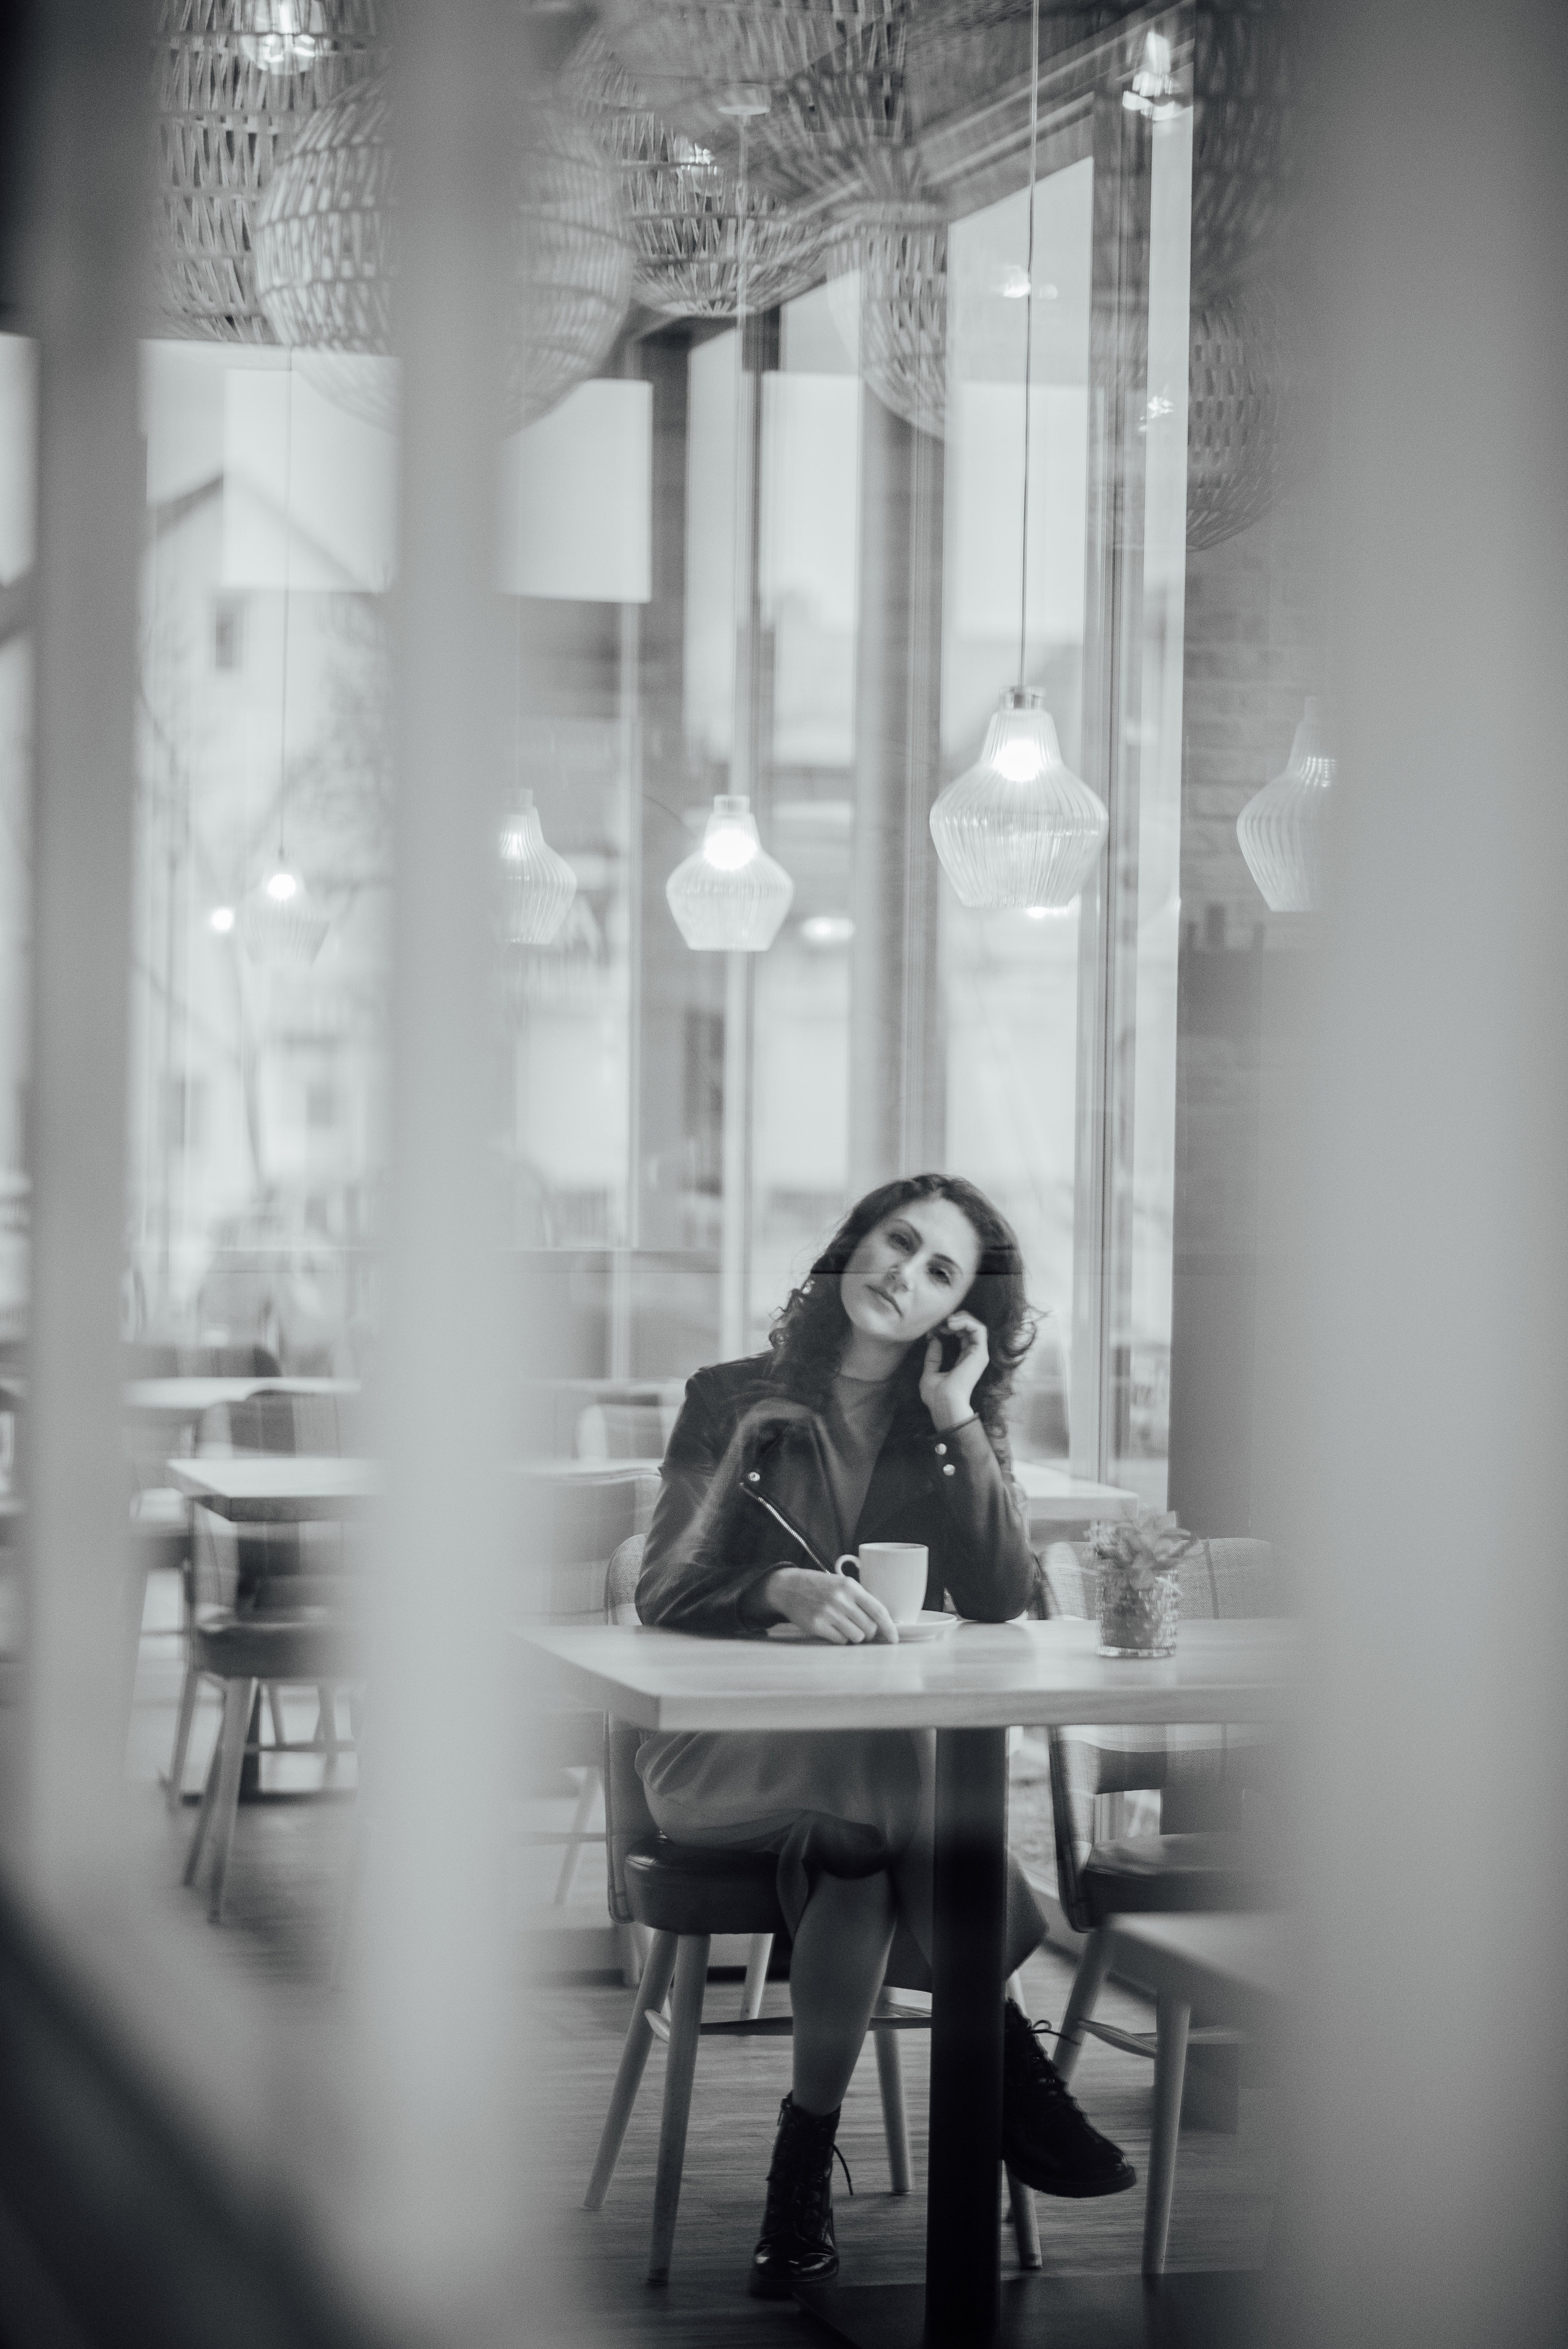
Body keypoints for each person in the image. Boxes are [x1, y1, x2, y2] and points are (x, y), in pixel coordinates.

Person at [635, 1172, 1135, 2299]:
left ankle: (799, 2177)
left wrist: (956, 1411)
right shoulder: (730, 1398)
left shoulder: (943, 1428)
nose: (905, 1273)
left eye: (940, 1270)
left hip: (858, 1796)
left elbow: (1000, 1595)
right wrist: (777, 1588)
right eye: (896, 1241)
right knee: (895, 1757)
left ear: (960, 1314)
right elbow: (662, 1582)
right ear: (851, 1246)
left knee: (858, 1856)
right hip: (716, 1756)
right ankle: (1006, 2057)